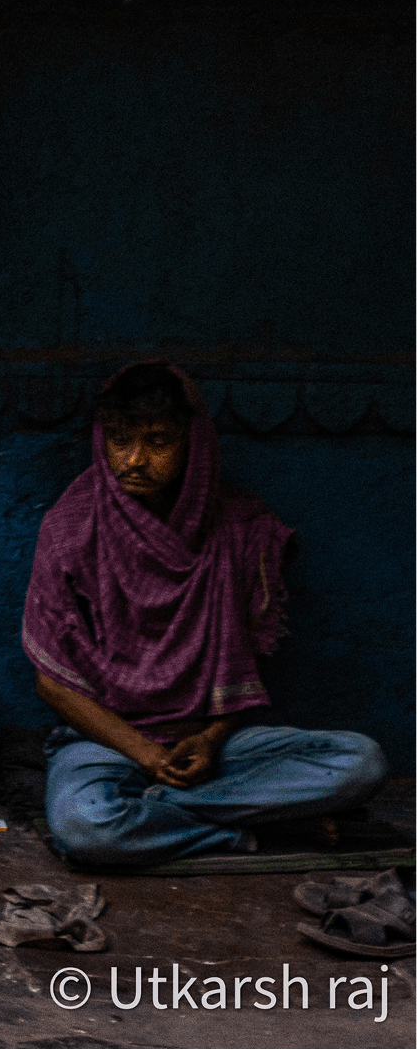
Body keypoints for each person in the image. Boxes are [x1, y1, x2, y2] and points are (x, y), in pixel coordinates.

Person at [25, 362, 386, 868]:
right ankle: (265, 825)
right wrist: (148, 756)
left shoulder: (239, 529)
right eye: (120, 439)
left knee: (361, 762)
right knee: (87, 829)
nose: (134, 459)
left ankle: (168, 815)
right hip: (106, 741)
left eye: (157, 441)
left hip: (215, 744)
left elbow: (241, 662)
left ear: (192, 443)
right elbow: (53, 684)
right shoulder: (71, 528)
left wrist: (211, 740)